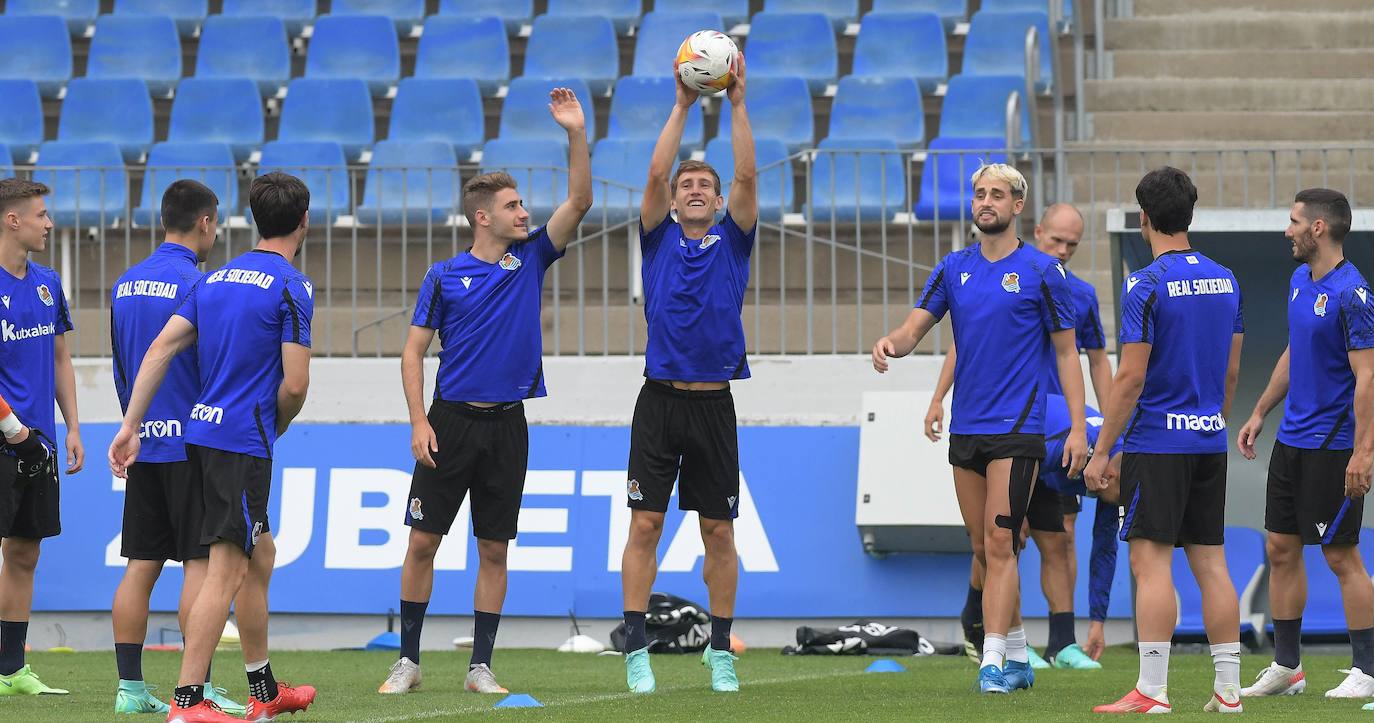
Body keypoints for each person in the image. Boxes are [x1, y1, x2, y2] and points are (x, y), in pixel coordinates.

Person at [379, 88, 591, 697]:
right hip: (449, 422)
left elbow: (580, 200)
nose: (524, 213)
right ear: (483, 217)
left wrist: (576, 132)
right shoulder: (443, 275)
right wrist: (418, 421)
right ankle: (408, 661)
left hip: (507, 426)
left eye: (522, 204)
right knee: (422, 543)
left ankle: (480, 667)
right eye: (513, 205)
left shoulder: (533, 258)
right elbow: (412, 353)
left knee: (493, 549)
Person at [873, 163, 1089, 695]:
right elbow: (916, 327)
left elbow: (1067, 354)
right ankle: (1017, 654)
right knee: (982, 548)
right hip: (967, 428)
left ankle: (991, 662)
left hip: (1018, 429)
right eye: (979, 194)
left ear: (1018, 206)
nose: (985, 202)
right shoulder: (954, 267)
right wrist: (891, 344)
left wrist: (1078, 429)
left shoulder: (1043, 271)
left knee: (1000, 541)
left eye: (996, 194)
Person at [109, 172, 317, 723]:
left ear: (252, 219)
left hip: (198, 436)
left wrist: (130, 424)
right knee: (223, 571)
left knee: (259, 554)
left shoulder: (215, 279)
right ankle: (187, 701)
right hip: (241, 443)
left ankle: (263, 689)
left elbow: (160, 349)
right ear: (304, 222)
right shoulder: (293, 285)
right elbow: (295, 385)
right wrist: (273, 425)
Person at [620, 55, 755, 696]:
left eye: (706, 184)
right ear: (673, 201)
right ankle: (635, 649)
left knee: (718, 531)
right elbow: (653, 172)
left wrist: (736, 103)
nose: (695, 189)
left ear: (719, 200)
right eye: (686, 184)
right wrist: (681, 104)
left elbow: (748, 173)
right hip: (659, 402)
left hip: (713, 404)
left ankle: (720, 651)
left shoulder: (735, 239)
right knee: (644, 526)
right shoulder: (656, 238)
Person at [1086, 167, 1245, 714]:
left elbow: (1130, 377)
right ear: (1189, 215)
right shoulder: (1227, 280)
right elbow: (1230, 372)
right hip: (1208, 441)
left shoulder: (1144, 283)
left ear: (1144, 218)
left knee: (1151, 564)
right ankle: (1228, 692)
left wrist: (1102, 451)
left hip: (1157, 442)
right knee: (1212, 565)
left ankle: (1152, 691)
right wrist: (1212, 422)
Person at [927, 203, 1110, 670]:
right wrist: (939, 396)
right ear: (1037, 230)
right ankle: (999, 635)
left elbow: (1093, 359)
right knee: (1000, 538)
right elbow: (963, 345)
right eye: (1057, 240)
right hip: (1004, 424)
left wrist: (1104, 427)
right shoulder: (996, 276)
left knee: (1060, 535)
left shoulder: (1079, 293)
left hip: (1054, 433)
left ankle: (1061, 642)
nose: (1063, 250)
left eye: (1072, 244)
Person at [108, 180, 244, 716]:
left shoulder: (124, 284)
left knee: (140, 565)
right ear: (205, 222)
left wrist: (133, 424)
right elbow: (212, 367)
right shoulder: (200, 284)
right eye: (216, 224)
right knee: (198, 566)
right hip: (191, 443)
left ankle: (129, 689)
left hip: (142, 440)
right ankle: (198, 688)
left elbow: (123, 366)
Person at [1236, 188, 1374, 700]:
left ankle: (1368, 669)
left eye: (1294, 221)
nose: (1287, 230)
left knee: (1341, 557)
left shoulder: (1353, 294)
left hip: (1333, 447)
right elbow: (1296, 352)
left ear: (1318, 227)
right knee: (1280, 549)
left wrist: (1363, 452)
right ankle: (1288, 667)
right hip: (1290, 442)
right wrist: (1259, 412)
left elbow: (1368, 378)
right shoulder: (1300, 281)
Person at [0, 178, 83, 697]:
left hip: (41, 443)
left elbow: (59, 358)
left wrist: (71, 425)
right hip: (5, 437)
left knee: (25, 552)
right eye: (41, 214)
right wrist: (12, 428)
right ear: (13, 221)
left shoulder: (48, 282)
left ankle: (10, 671)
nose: (49, 223)